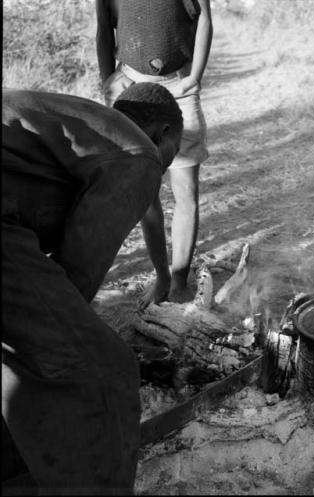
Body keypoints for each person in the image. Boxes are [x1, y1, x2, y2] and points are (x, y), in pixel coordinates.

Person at [1, 83, 182, 495]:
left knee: (22, 357)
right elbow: (80, 264)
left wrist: (162, 276)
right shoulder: (140, 155)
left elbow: (146, 214)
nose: (164, 168)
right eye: (169, 154)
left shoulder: (90, 129)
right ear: (165, 134)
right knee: (103, 373)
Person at [96, 0, 213, 307]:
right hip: (131, 87)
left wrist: (195, 76)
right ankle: (162, 277)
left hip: (180, 85)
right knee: (146, 191)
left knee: (186, 189)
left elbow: (203, 20)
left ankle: (179, 281)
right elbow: (104, 30)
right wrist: (107, 77)